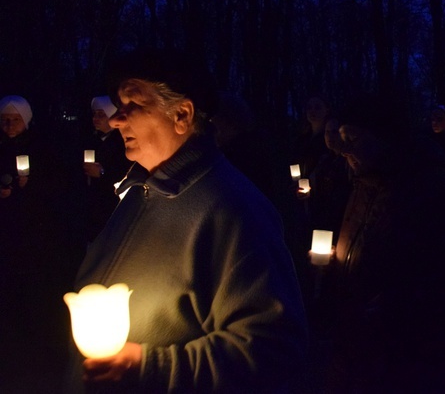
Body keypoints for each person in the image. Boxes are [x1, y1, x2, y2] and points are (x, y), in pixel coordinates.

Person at [64, 48, 307, 393]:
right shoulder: (139, 194)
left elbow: (273, 351)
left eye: (132, 105)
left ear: (181, 114)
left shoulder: (233, 210)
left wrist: (149, 368)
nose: (117, 120)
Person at [324, 92, 445, 393]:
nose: (342, 149)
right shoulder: (366, 185)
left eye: (352, 137)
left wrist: (392, 305)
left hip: (416, 359)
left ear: (384, 138)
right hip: (365, 352)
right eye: (340, 137)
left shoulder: (433, 191)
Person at [0, 95, 76, 392]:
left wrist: (31, 187)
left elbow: (58, 189)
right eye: (4, 119)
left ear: (26, 120)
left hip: (36, 236)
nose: (8, 125)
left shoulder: (42, 149)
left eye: (14, 119)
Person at [81, 95, 131, 241]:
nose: (95, 118)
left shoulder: (122, 143)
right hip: (92, 203)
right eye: (95, 114)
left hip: (111, 204)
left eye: (101, 114)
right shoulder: (91, 140)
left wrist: (102, 173)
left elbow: (124, 172)